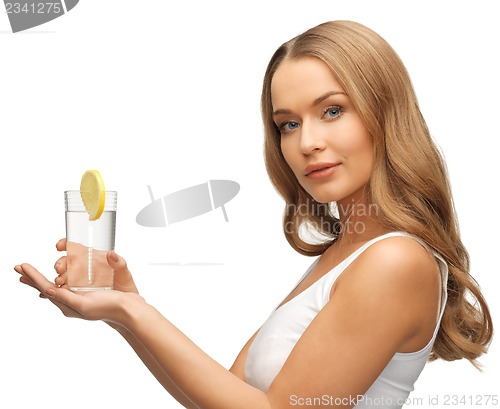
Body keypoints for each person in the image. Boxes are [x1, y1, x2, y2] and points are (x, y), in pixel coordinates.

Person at [15, 20, 492, 409]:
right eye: (288, 123)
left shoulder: (395, 261)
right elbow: (225, 398)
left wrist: (133, 312)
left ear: (384, 113)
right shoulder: (345, 255)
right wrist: (125, 309)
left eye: (331, 111)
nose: (306, 142)